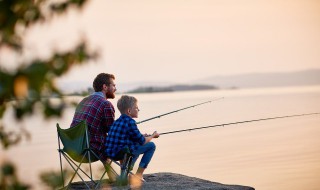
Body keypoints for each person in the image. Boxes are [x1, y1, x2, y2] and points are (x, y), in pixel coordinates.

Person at [70, 73, 117, 178]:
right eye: (113, 85)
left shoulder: (83, 101)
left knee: (100, 138)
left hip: (74, 148)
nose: (115, 88)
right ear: (105, 87)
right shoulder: (106, 104)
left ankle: (112, 176)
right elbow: (113, 132)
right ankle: (123, 177)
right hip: (89, 151)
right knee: (123, 141)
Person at [105, 95, 159, 183]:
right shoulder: (130, 122)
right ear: (129, 111)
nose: (138, 110)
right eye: (137, 108)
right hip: (122, 153)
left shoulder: (116, 121)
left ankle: (126, 174)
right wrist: (153, 135)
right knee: (151, 146)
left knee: (134, 145)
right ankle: (138, 175)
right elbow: (142, 141)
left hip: (111, 153)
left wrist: (142, 135)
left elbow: (127, 135)